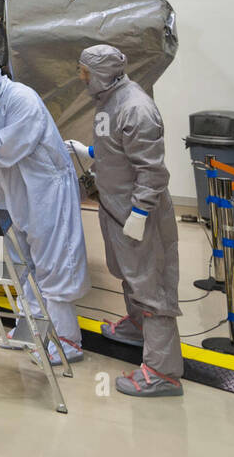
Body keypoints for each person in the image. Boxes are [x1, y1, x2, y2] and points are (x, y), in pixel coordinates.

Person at [0, 64, 90, 362]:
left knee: (52, 261)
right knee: (23, 260)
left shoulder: (21, 99)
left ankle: (67, 340)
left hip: (46, 190)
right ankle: (31, 329)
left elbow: (9, 146)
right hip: (18, 191)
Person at [69, 44, 183, 397]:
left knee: (152, 288)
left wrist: (140, 212)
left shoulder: (135, 107)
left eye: (85, 71)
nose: (81, 77)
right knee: (130, 275)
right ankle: (136, 328)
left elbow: (152, 170)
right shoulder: (109, 100)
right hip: (115, 209)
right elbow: (117, 149)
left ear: (102, 73)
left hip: (138, 214)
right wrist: (89, 152)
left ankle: (163, 373)